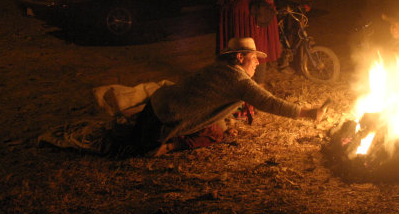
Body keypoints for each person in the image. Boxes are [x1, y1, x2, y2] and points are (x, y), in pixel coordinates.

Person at [131, 37, 328, 157]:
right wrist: (308, 113)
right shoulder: (238, 80)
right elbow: (269, 103)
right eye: (254, 57)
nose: (258, 63)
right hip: (163, 120)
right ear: (240, 58)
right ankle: (167, 146)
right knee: (216, 133)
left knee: (222, 126)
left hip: (156, 103)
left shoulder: (221, 67)